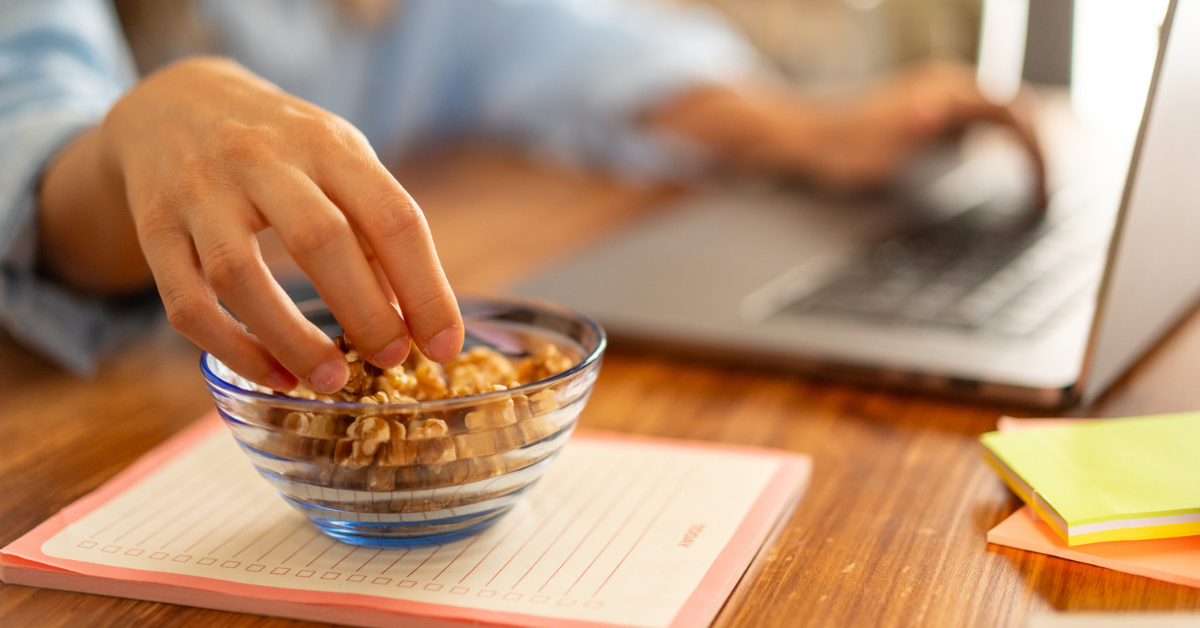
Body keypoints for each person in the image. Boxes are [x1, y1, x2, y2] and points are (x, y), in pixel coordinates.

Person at [0, 0, 1041, 395]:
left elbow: (560, 41)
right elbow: (32, 165)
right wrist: (144, 128)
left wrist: (799, 126)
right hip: (92, 409)